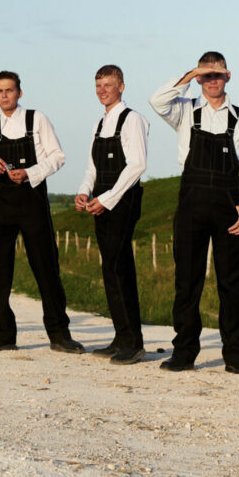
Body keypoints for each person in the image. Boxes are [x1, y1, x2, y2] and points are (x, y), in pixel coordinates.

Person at [150, 51, 239, 374]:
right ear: (199, 79)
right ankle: (184, 352)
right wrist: (190, 73)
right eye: (207, 75)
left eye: (218, 75)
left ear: (228, 77)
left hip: (229, 207)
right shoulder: (185, 112)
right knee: (187, 282)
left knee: (231, 282)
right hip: (191, 206)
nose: (213, 81)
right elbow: (156, 99)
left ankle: (237, 354)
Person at [0, 70, 84, 354]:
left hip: (32, 198)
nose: (4, 95)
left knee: (46, 267)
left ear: (19, 93)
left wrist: (30, 172)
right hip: (1, 201)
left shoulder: (37, 119)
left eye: (9, 90)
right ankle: (3, 334)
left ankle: (60, 334)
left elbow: (57, 156)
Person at [75, 65, 148, 365]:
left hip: (123, 199)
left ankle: (134, 342)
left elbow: (137, 165)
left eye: (108, 84)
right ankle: (121, 336)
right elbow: (92, 167)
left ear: (121, 86)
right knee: (109, 267)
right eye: (98, 85)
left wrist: (107, 199)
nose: (102, 90)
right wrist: (84, 191)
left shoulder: (133, 120)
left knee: (120, 267)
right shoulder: (98, 124)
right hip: (101, 200)